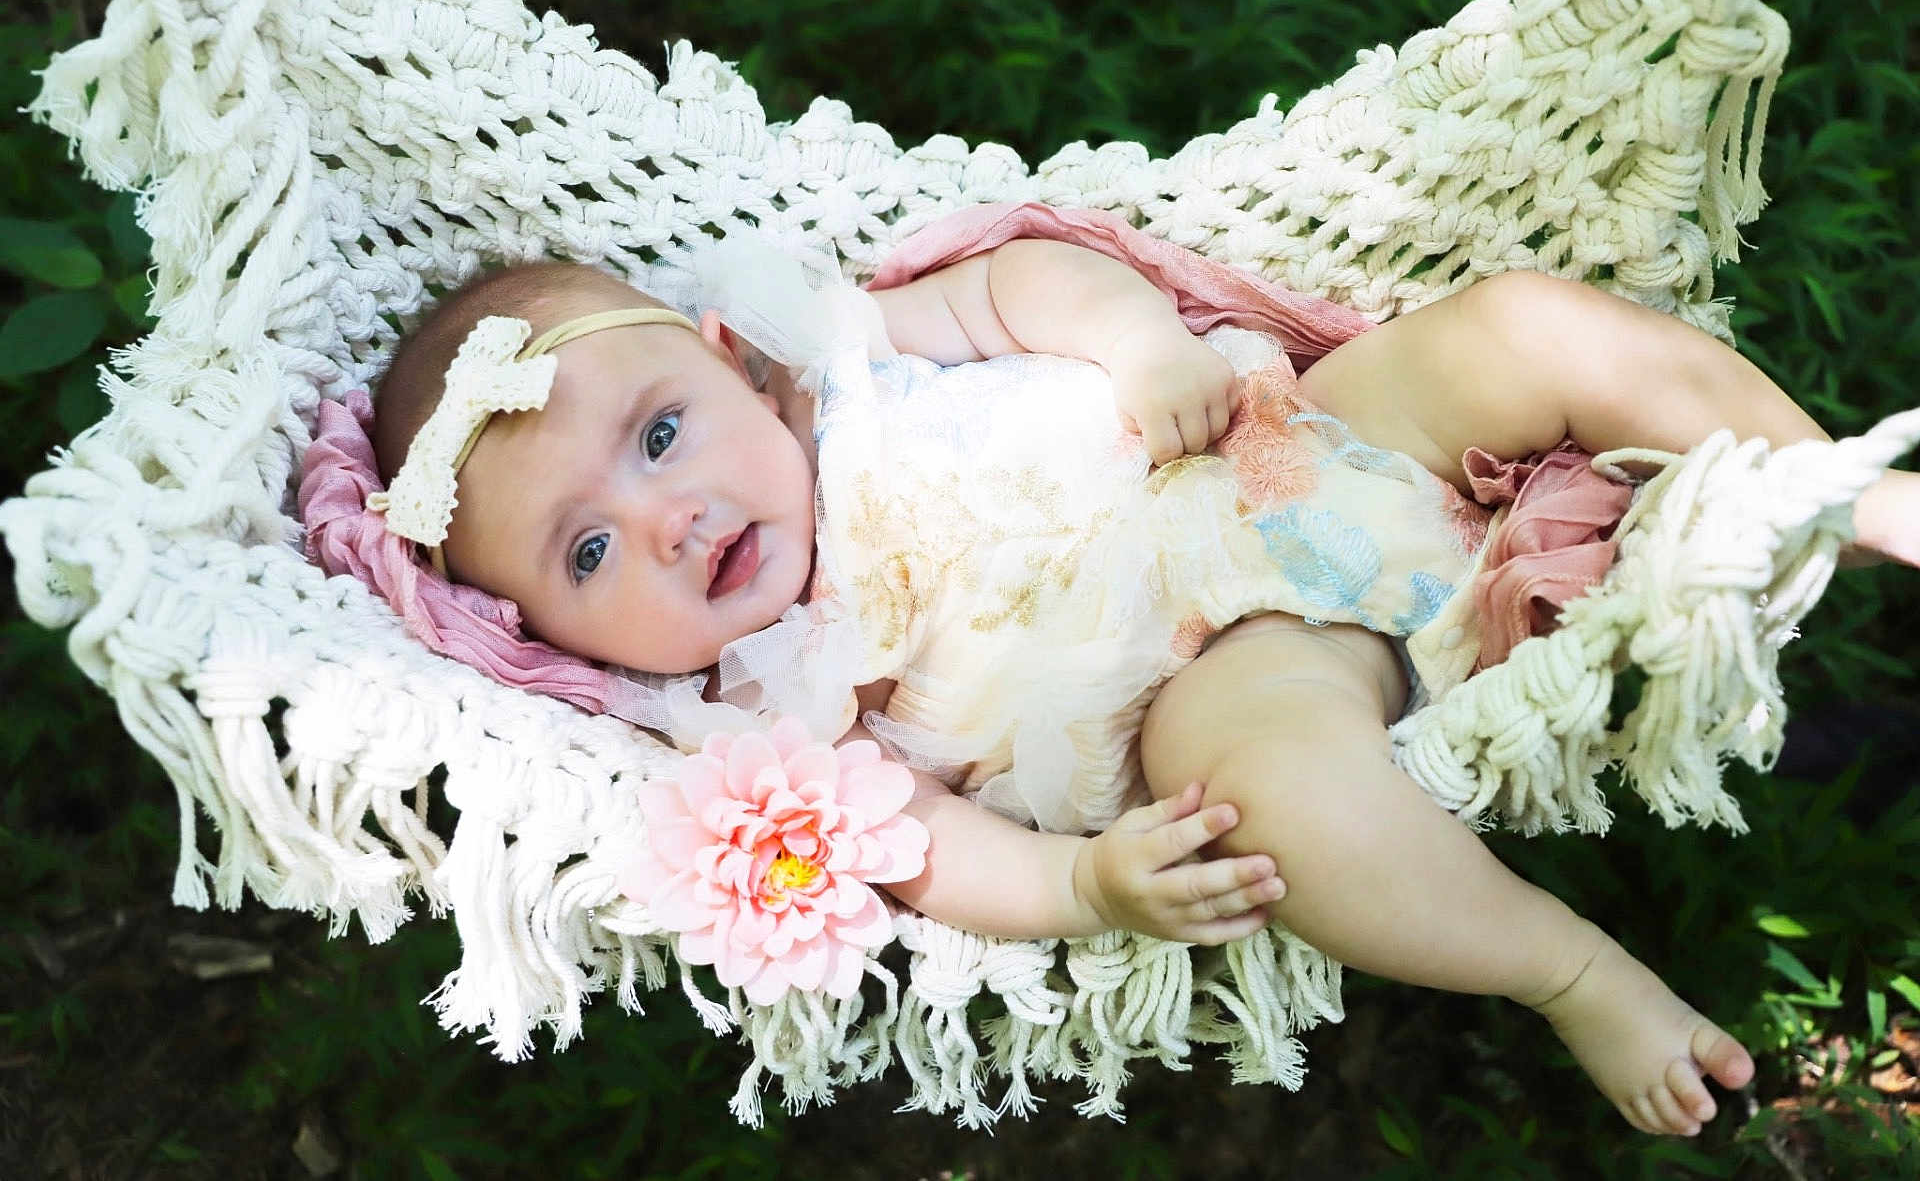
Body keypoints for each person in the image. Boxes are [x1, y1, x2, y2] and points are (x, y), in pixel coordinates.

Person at [331, 202, 1918, 1138]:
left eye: (660, 433)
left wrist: (1141, 347)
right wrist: (1086, 888)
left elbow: (1034, 281)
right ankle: (1573, 968)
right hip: (1243, 671)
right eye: (589, 555)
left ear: (726, 356)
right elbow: (922, 849)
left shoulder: (857, 347)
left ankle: (1840, 489)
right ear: (554, 641)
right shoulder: (759, 716)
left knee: (1516, 321)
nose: (668, 519)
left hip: (1299, 442)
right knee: (1274, 809)